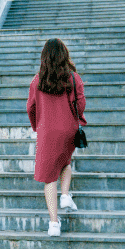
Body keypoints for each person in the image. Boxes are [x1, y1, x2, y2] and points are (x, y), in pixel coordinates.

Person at [27, 38, 86, 237]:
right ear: (64, 55)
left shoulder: (37, 80)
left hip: (47, 129)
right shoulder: (73, 78)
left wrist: (37, 125)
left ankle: (54, 224)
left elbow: (31, 107)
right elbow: (81, 103)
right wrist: (77, 119)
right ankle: (66, 196)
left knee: (49, 176)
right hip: (68, 127)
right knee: (65, 160)